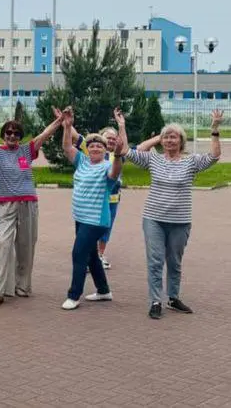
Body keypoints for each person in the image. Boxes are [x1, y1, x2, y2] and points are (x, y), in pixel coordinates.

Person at [117, 108, 223, 320]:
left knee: (174, 261)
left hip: (180, 221)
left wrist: (214, 129)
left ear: (181, 141)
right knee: (155, 261)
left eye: (173, 137)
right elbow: (126, 151)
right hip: (154, 219)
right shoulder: (153, 159)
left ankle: (173, 298)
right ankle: (156, 300)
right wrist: (121, 126)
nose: (169, 140)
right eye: (166, 137)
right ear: (161, 141)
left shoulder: (191, 161)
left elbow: (214, 156)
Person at [0, 98, 63, 308]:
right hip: (5, 204)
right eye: (8, 133)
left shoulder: (26, 151)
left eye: (16, 133)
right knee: (3, 245)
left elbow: (44, 135)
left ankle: (22, 286)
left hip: (28, 203)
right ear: (3, 135)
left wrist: (60, 120)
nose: (12, 136)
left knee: (26, 246)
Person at [59, 108, 123, 310]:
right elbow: (67, 146)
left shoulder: (107, 166)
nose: (95, 148)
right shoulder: (82, 161)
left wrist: (119, 154)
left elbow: (115, 172)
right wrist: (68, 126)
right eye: (92, 145)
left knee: (78, 254)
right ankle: (104, 290)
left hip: (96, 220)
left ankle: (74, 295)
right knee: (92, 255)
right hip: (80, 216)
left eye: (99, 146)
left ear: (105, 150)